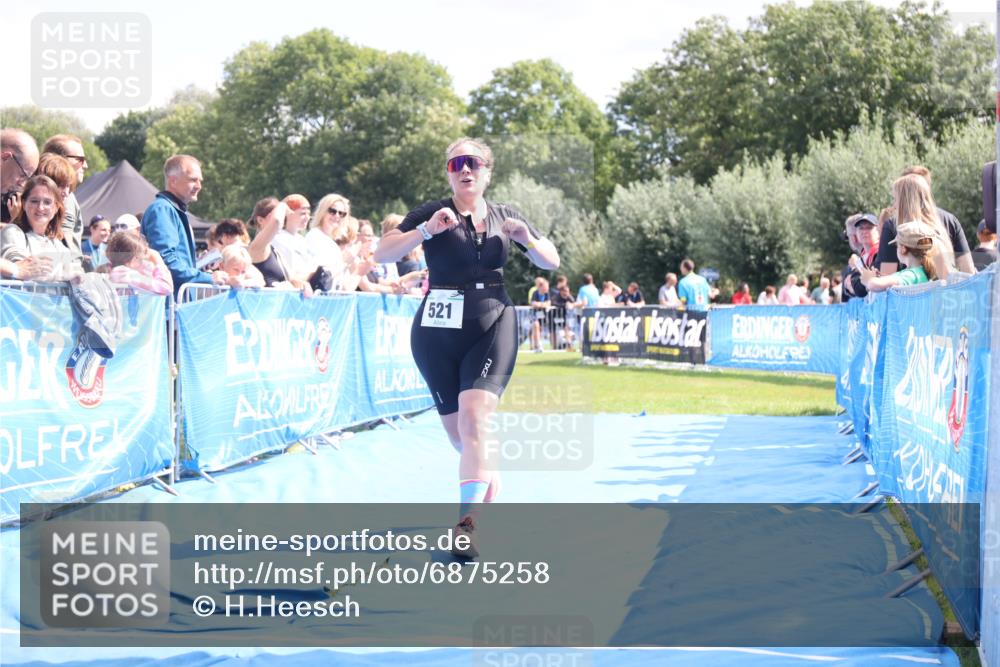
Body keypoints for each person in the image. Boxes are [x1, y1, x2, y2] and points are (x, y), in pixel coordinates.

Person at [374, 137, 559, 557]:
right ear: (448, 172)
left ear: (488, 171)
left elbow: (552, 261)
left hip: (492, 320)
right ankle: (481, 468)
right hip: (436, 330)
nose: (465, 169)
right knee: (463, 436)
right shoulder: (433, 211)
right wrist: (424, 231)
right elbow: (381, 252)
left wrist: (527, 239)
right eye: (456, 163)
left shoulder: (505, 215)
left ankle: (466, 527)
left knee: (475, 421)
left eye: (473, 163)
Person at [142, 155, 228, 293]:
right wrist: (208, 278)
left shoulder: (172, 210)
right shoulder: (163, 209)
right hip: (168, 306)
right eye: (193, 180)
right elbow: (166, 261)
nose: (199, 186)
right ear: (173, 181)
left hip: (176, 303)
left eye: (200, 181)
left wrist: (197, 264)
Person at [877, 169, 973, 275]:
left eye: (895, 199)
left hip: (911, 291)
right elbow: (968, 271)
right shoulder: (949, 221)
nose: (894, 205)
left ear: (904, 201)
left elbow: (887, 277)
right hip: (947, 289)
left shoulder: (892, 226)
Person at [0, 175, 80, 281]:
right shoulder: (12, 232)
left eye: (47, 202)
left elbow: (77, 271)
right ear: (24, 204)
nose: (40, 208)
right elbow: (23, 267)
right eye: (34, 201)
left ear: (56, 207)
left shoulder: (56, 243)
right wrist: (66, 274)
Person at [856, 220, 945, 291]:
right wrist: (879, 277)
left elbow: (874, 285)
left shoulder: (911, 275)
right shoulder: (918, 272)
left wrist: (868, 280)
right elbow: (895, 279)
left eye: (897, 246)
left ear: (903, 249)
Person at [247, 197, 312, 294]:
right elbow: (277, 222)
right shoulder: (257, 247)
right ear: (260, 220)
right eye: (273, 215)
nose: (282, 218)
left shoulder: (274, 249)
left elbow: (287, 279)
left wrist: (300, 284)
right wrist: (282, 205)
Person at [41, 134, 89, 255]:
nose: (85, 165)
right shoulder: (64, 197)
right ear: (59, 159)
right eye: (80, 160)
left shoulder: (61, 193)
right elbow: (66, 244)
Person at [107, 231, 173, 295]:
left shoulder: (116, 272)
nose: (145, 262)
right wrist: (157, 259)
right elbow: (166, 287)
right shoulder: (128, 275)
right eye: (141, 259)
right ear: (134, 258)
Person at [1, 129, 39, 225]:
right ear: (5, 157)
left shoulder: (10, 201)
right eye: (22, 175)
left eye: (28, 178)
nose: (22, 184)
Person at [530, 277, 552, 352]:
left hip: (543, 315)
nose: (547, 288)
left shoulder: (547, 294)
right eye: (546, 287)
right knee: (536, 326)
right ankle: (537, 345)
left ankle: (538, 345)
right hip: (535, 314)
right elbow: (533, 303)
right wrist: (542, 304)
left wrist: (540, 304)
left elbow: (548, 303)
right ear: (541, 286)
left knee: (540, 330)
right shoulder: (535, 293)